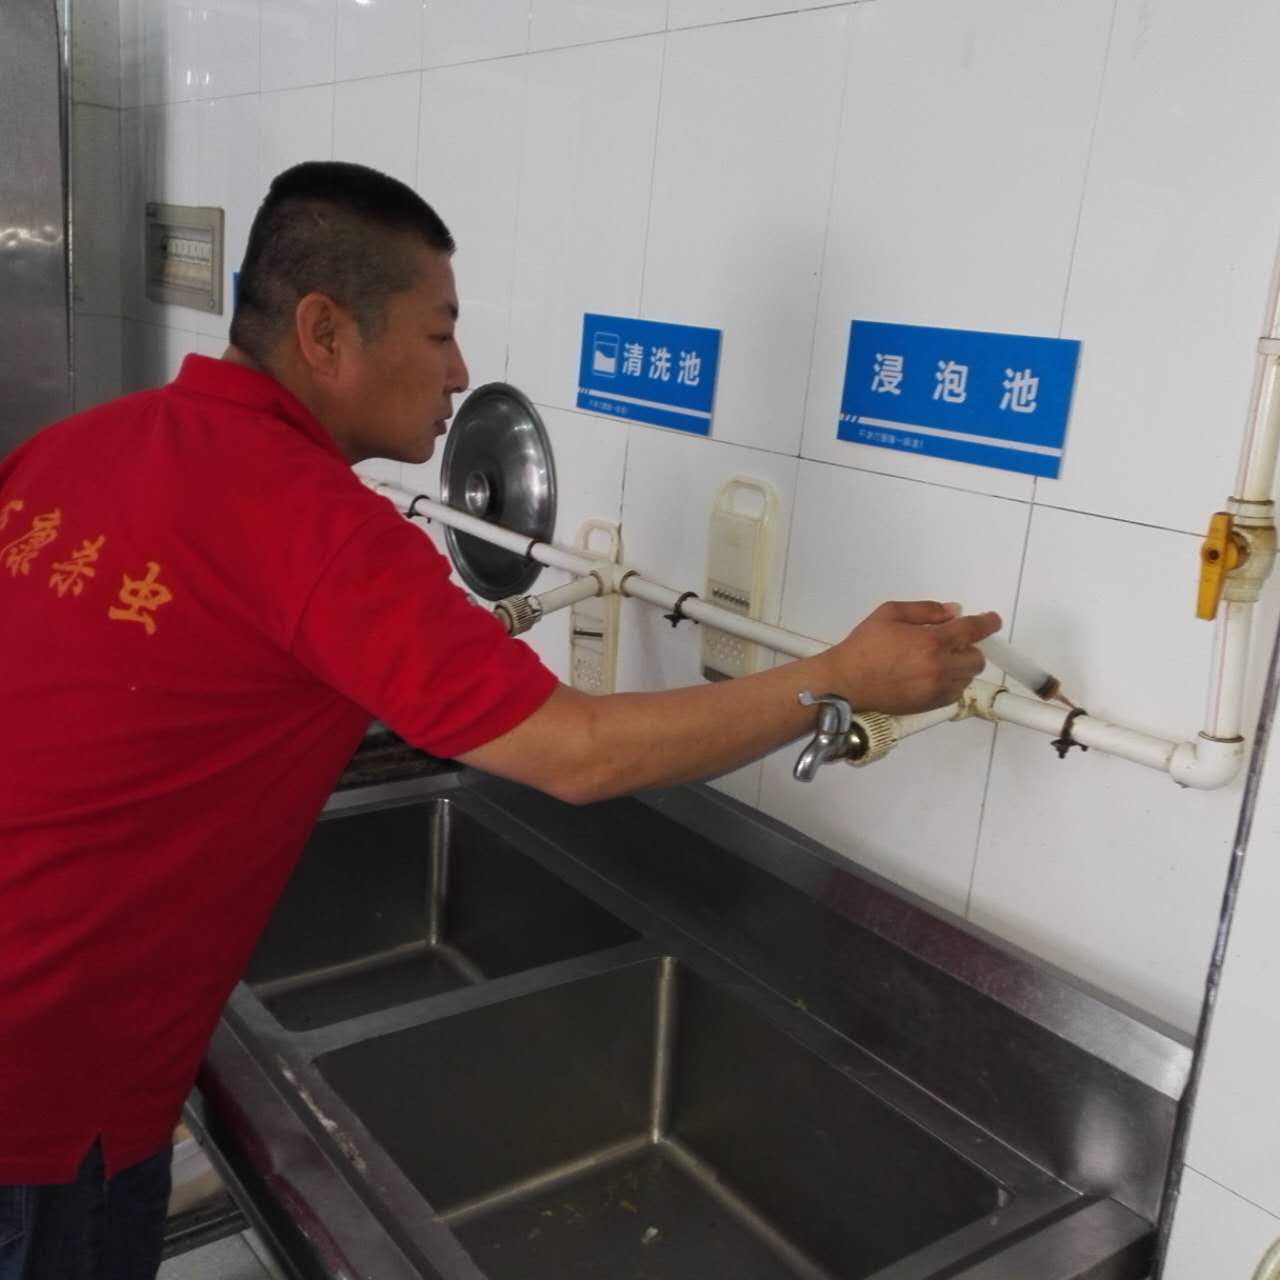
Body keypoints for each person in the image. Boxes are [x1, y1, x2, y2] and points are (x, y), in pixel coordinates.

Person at [0, 160, 999, 1279]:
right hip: (43, 1095)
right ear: (325, 332)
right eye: (439, 334)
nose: (460, 371)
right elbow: (577, 754)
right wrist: (842, 674)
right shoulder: (318, 528)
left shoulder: (77, 446)